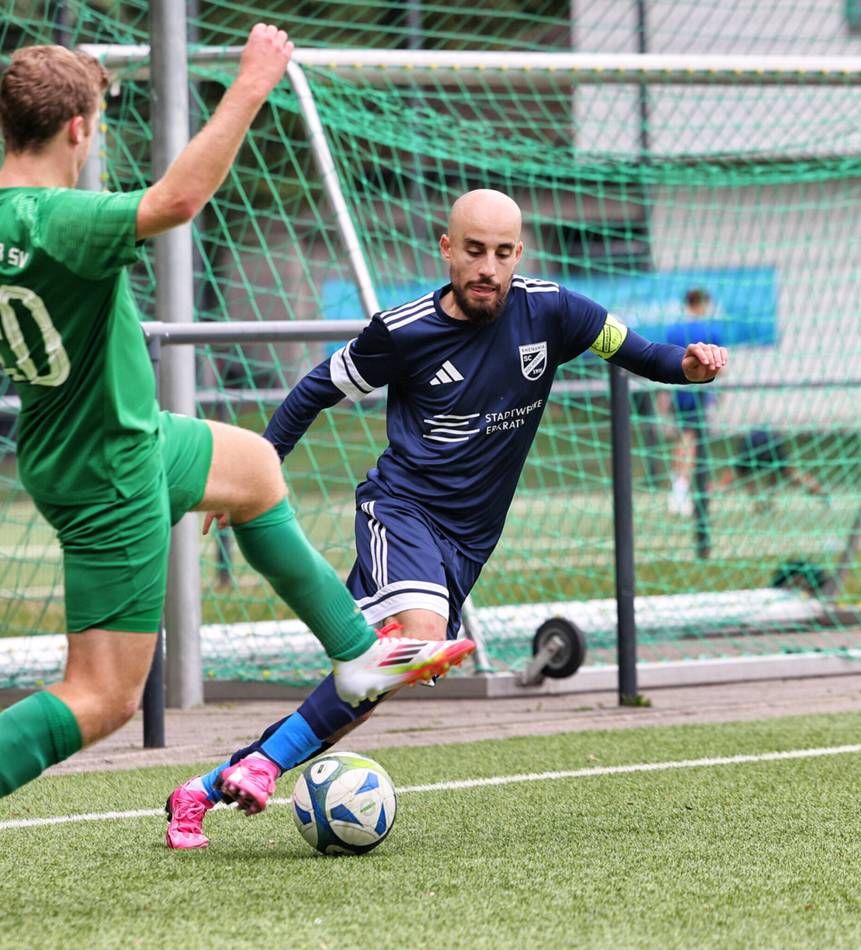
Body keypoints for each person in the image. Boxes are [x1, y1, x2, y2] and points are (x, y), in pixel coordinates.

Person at [165, 188, 728, 848]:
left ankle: (204, 790)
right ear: (446, 249)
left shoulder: (556, 312)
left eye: (501, 253)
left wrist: (690, 367)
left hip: (467, 542)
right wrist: (255, 473)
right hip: (400, 509)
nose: (487, 266)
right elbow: (316, 388)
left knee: (377, 678)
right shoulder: (402, 332)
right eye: (473, 250)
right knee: (416, 641)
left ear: (518, 254)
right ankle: (260, 766)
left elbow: (644, 353)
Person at [0, 27, 473, 801]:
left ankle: (357, 652)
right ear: (78, 129)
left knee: (253, 469)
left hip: (112, 441)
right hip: (111, 472)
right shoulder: (61, 222)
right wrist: (253, 81)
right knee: (104, 697)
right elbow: (178, 200)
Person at [665, 288, 723, 517]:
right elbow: (720, 366)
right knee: (691, 443)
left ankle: (677, 489)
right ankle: (681, 492)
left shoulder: (674, 330)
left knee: (682, 440)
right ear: (700, 304)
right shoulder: (709, 330)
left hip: (679, 392)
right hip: (697, 393)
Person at [716, 428, 829, 511]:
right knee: (787, 471)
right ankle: (820, 491)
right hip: (766, 442)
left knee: (741, 473)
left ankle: (759, 503)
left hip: (754, 443)